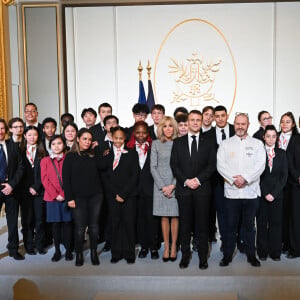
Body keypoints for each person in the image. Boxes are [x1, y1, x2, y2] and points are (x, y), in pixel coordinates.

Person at [217, 113, 265, 267]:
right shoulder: (225, 144)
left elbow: (260, 165)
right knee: (230, 226)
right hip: (231, 194)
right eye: (237, 123)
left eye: (243, 124)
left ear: (248, 125)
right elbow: (221, 165)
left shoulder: (257, 143)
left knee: (249, 227)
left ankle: (252, 255)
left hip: (251, 193)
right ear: (234, 124)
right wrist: (234, 179)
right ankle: (227, 255)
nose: (240, 127)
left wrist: (244, 178)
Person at [171, 110, 216, 269]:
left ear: (202, 121)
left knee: (202, 226)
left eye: (198, 120)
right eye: (192, 120)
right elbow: (174, 165)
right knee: (185, 225)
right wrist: (186, 181)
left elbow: (212, 166)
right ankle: (185, 255)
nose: (195, 122)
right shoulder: (178, 142)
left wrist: (197, 180)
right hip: (184, 191)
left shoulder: (209, 141)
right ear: (187, 122)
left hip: (202, 190)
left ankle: (203, 257)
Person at [63, 128, 105, 266]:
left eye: (89, 139)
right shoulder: (70, 156)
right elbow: (66, 179)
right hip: (78, 197)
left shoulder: (94, 155)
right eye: (84, 139)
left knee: (94, 226)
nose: (87, 142)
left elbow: (104, 166)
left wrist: (100, 151)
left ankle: (93, 252)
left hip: (95, 196)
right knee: (80, 228)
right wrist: (69, 198)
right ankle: (79, 253)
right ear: (78, 139)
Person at [102, 127, 139, 264]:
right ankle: (116, 252)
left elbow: (135, 175)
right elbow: (105, 177)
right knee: (115, 223)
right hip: (112, 196)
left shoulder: (132, 153)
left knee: (129, 223)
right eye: (115, 138)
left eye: (120, 138)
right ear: (112, 138)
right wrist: (115, 193)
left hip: (129, 195)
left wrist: (123, 193)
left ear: (125, 139)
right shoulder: (107, 154)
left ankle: (129, 253)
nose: (118, 141)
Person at [127, 121, 160, 259]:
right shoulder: (127, 148)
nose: (141, 135)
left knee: (152, 219)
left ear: (148, 134)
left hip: (151, 189)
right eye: (138, 132)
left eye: (144, 133)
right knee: (139, 220)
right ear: (134, 133)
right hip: (134, 191)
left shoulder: (154, 147)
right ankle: (144, 246)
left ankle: (154, 247)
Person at [256, 125, 288, 261]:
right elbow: (256, 175)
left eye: (274, 136)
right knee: (262, 224)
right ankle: (262, 252)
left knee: (276, 224)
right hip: (262, 194)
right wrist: (265, 193)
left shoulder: (281, 153)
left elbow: (284, 176)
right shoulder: (259, 152)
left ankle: (275, 252)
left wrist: (274, 194)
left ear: (277, 137)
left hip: (277, 195)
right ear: (263, 137)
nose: (271, 139)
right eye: (268, 136)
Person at [41, 135, 73, 262]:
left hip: (67, 196)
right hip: (51, 198)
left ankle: (69, 250)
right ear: (50, 147)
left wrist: (64, 194)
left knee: (68, 224)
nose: (56, 146)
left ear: (64, 145)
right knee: (55, 225)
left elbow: (72, 178)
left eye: (59, 143)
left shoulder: (69, 159)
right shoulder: (45, 161)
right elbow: (44, 180)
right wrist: (56, 195)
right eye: (53, 144)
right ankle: (57, 251)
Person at [151, 117, 179, 262]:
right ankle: (166, 247)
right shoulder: (155, 144)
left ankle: (174, 246)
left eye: (171, 126)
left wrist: (173, 185)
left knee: (174, 216)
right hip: (159, 185)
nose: (168, 129)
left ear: (174, 128)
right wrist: (163, 187)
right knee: (163, 217)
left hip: (175, 183)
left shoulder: (179, 143)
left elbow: (181, 167)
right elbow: (152, 167)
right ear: (161, 128)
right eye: (165, 126)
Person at [20, 126, 47, 255]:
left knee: (40, 219)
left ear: (38, 136)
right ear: (25, 136)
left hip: (39, 191)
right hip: (24, 192)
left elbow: (45, 173)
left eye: (35, 135)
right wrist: (28, 188)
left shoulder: (43, 152)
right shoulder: (19, 151)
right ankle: (29, 245)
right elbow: (19, 172)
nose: (32, 137)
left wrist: (36, 187)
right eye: (29, 135)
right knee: (27, 220)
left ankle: (40, 244)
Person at [0, 119, 25, 260]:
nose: (0, 131)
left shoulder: (13, 146)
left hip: (11, 188)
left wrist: (11, 185)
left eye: (2, 128)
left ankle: (13, 249)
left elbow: (21, 167)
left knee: (12, 221)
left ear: (6, 130)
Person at [211, 105, 235, 250]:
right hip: (216, 180)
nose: (220, 119)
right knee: (221, 211)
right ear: (214, 117)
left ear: (227, 115)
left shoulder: (236, 130)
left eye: (222, 115)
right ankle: (225, 241)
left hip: (235, 180)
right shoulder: (208, 134)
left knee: (235, 211)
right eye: (217, 116)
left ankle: (237, 240)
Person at [278, 111, 299, 254]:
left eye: (287, 122)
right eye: (282, 121)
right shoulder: (274, 137)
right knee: (282, 216)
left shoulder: (298, 139)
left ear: (293, 124)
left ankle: (295, 248)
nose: (284, 124)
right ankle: (284, 244)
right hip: (279, 184)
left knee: (295, 216)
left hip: (294, 183)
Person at [286, 132, 300, 258]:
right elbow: (289, 160)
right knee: (295, 218)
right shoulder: (294, 139)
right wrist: (297, 177)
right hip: (296, 185)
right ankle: (295, 249)